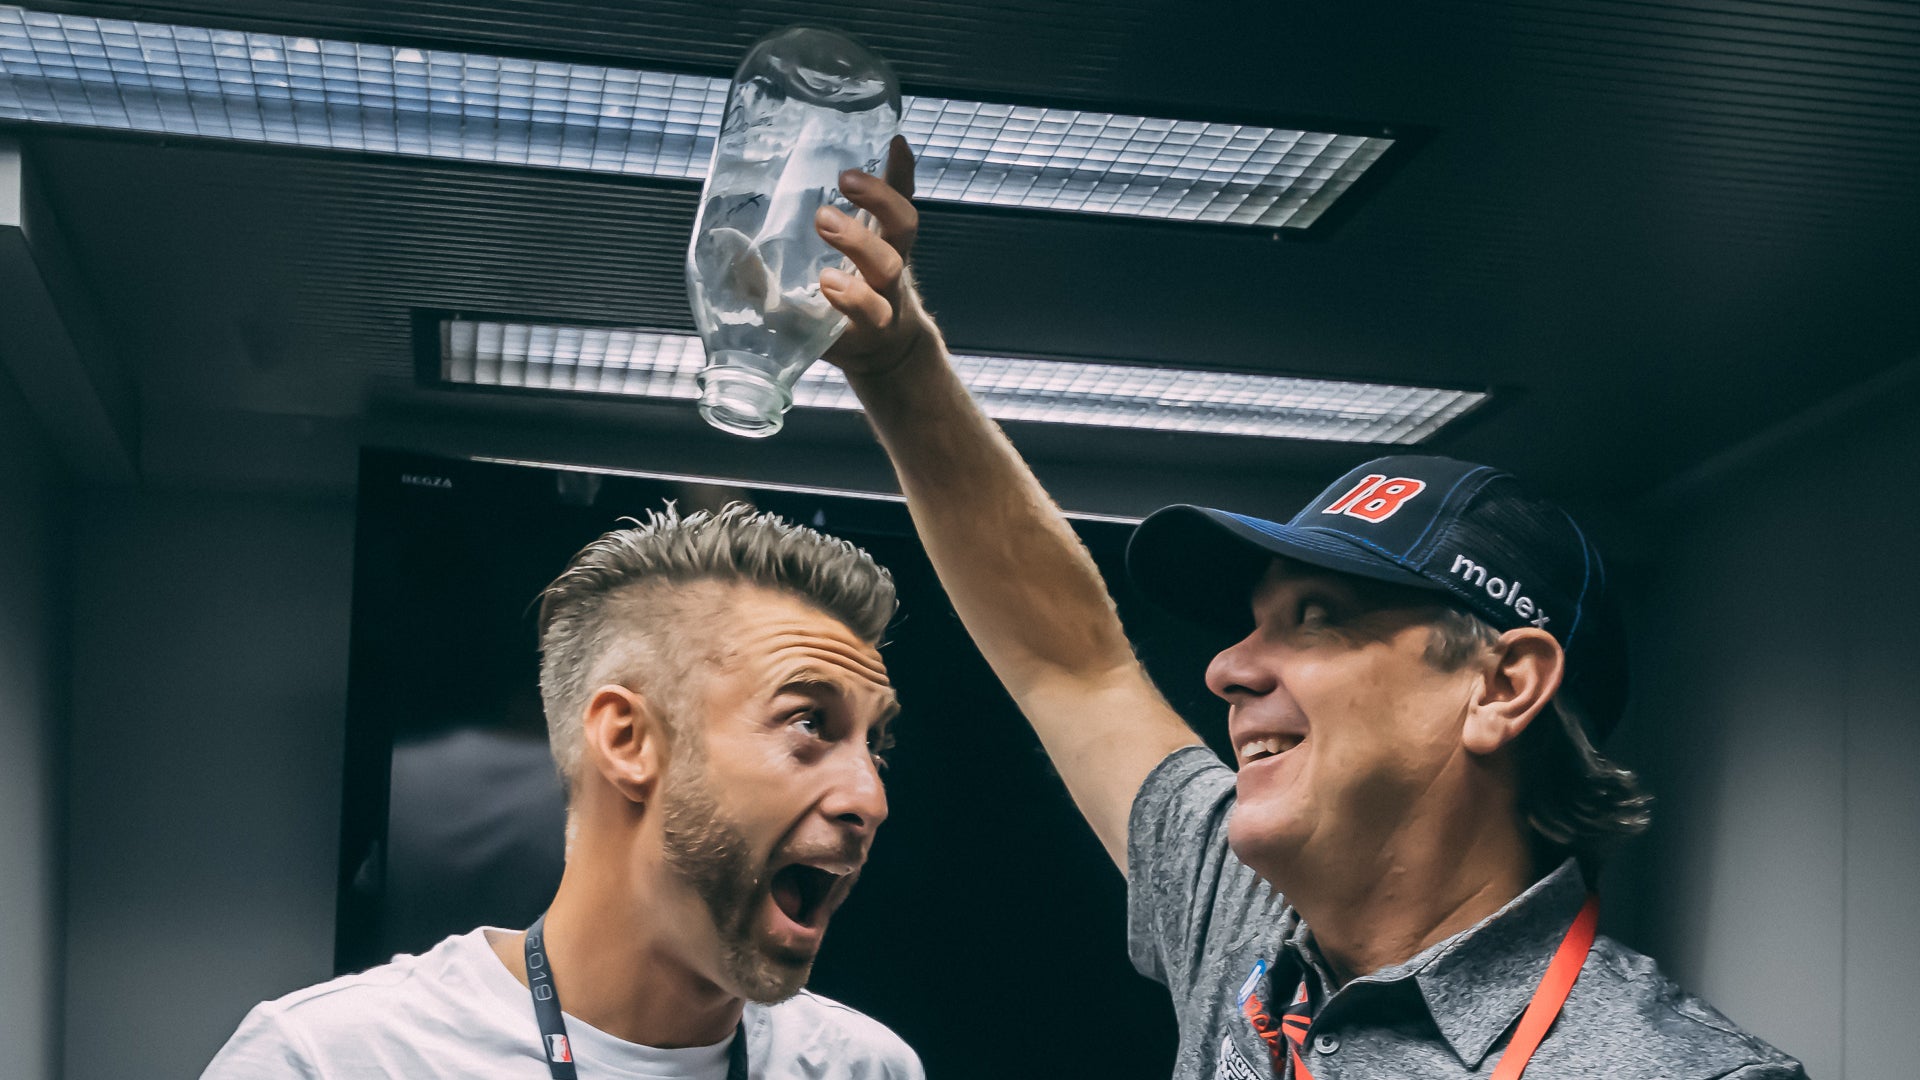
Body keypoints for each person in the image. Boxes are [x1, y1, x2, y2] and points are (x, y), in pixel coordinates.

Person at [807, 138, 1807, 1078]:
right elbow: (1074, 663)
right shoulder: (1246, 928)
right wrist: (902, 376)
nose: (1226, 669)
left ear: (1503, 686)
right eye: (1254, 621)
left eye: (1318, 618)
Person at [203, 505, 923, 1079]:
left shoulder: (866, 1068)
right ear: (628, 741)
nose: (871, 798)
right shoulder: (328, 1061)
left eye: (876, 745)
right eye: (808, 722)